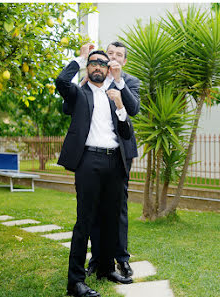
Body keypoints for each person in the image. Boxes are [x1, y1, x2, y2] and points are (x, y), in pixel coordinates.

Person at [56, 43, 138, 297]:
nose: (98, 67)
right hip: (88, 161)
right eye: (93, 64)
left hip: (115, 161)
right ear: (89, 69)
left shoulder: (115, 94)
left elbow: (125, 131)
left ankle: (104, 268)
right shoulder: (80, 93)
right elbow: (61, 81)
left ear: (108, 69)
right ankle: (75, 282)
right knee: (85, 221)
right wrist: (80, 59)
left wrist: (121, 108)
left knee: (112, 219)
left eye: (102, 64)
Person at [86, 41, 140, 279]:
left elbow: (134, 109)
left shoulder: (130, 81)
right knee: (95, 206)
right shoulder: (94, 79)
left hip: (120, 153)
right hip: (95, 153)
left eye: (119, 55)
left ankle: (122, 259)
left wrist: (118, 81)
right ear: (104, 57)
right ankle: (97, 259)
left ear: (124, 61)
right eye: (110, 53)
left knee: (119, 207)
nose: (114, 57)